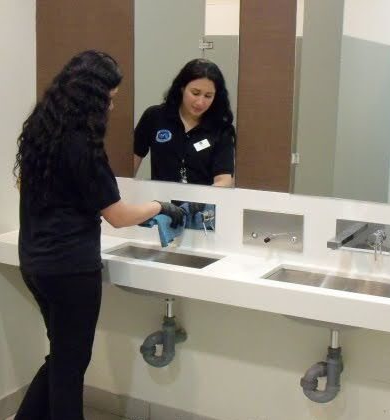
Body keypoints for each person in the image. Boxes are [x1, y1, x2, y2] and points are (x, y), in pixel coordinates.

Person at [13, 50, 184, 420]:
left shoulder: (40, 131)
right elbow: (119, 216)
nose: (110, 105)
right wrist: (158, 207)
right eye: (109, 97)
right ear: (91, 96)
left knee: (62, 356)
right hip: (70, 270)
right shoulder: (83, 145)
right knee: (72, 365)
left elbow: (24, 185)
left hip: (34, 262)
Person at [133, 58, 235, 187]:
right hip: (159, 203)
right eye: (195, 93)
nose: (200, 102)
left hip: (202, 205)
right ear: (182, 88)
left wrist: (200, 203)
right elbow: (131, 162)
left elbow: (224, 180)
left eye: (208, 96)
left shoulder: (222, 129)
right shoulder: (155, 116)